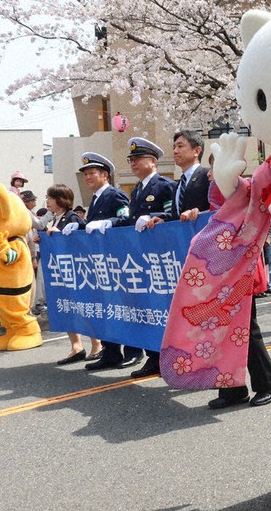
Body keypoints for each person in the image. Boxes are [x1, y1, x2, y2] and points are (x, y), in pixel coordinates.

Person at [204, 155, 271, 409]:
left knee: (246, 326)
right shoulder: (213, 187)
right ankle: (232, 388)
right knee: (222, 328)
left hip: (239, 263)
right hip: (217, 265)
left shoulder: (244, 187)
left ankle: (267, 383)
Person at [62, 152, 136, 371]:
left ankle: (133, 351)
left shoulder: (115, 195)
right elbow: (94, 226)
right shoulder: (95, 199)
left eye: (92, 173)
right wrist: (80, 225)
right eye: (85, 174)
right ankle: (111, 351)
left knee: (123, 308)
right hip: (100, 263)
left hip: (117, 262)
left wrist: (108, 222)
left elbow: (126, 218)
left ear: (105, 175)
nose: (88, 178)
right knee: (105, 309)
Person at [113, 138, 176, 378]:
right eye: (131, 160)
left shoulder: (165, 186)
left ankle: (167, 356)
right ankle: (154, 357)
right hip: (142, 259)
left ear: (153, 161)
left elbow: (172, 215)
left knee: (163, 309)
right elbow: (130, 220)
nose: (133, 163)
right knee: (148, 309)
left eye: (137, 159)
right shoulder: (137, 190)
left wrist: (154, 215)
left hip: (162, 258)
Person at [44, 184, 97, 364]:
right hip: (62, 273)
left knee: (84, 308)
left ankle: (96, 344)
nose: (47, 201)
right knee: (67, 307)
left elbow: (83, 241)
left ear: (61, 199)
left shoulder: (72, 217)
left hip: (77, 272)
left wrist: (62, 235)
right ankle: (76, 346)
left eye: (50, 198)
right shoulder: (55, 218)